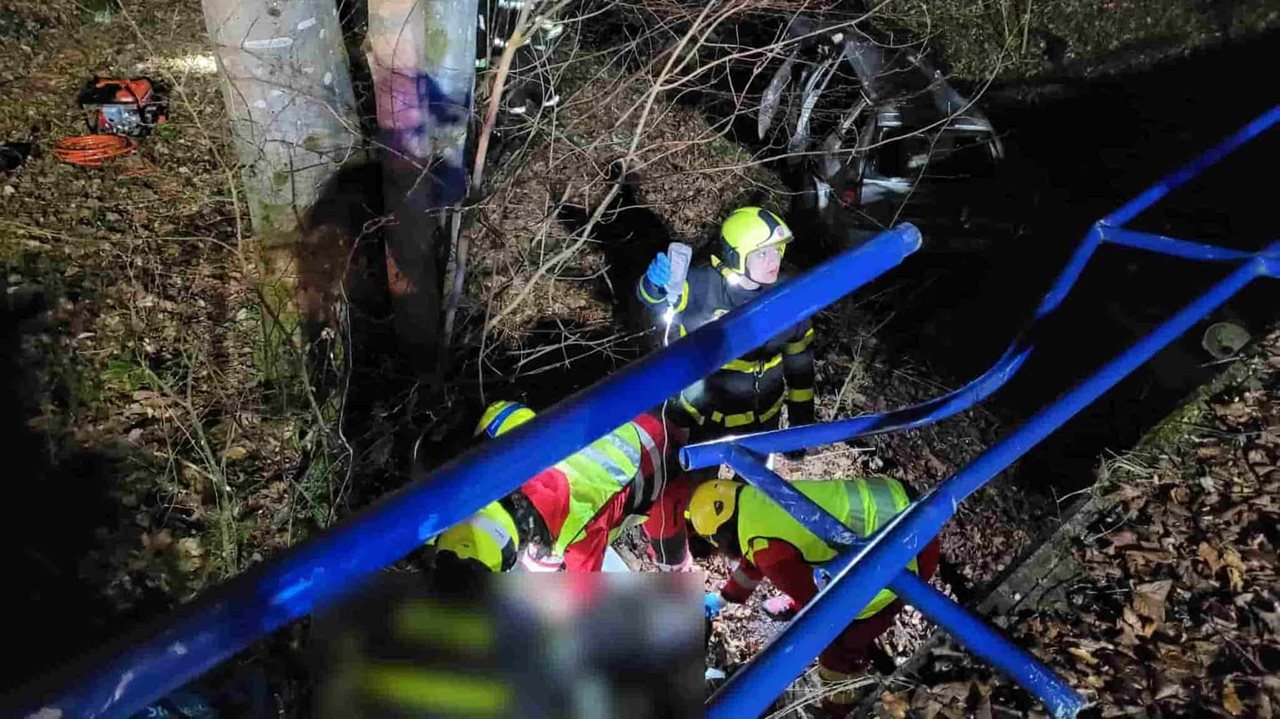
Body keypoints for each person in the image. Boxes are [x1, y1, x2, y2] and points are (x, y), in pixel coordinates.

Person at [689, 477, 939, 718]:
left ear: (719, 537)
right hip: (901, 500)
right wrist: (723, 599)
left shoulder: (768, 552)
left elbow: (822, 611)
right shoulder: (759, 497)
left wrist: (807, 615)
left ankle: (841, 708)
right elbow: (754, 557)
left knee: (839, 639)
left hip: (913, 552)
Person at [433, 401, 694, 575]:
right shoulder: (501, 456)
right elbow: (504, 412)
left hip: (664, 457)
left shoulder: (578, 534)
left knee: (670, 548)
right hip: (626, 409)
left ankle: (678, 573)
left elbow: (585, 595)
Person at [637, 207, 816, 440]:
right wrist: (653, 284)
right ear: (736, 256)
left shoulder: (789, 296)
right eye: (762, 253)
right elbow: (657, 302)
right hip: (699, 421)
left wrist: (801, 425)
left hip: (763, 421)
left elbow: (801, 365)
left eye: (777, 249)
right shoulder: (703, 285)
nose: (774, 260)